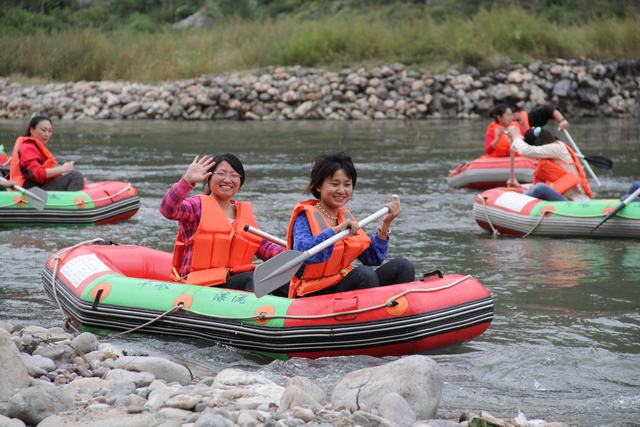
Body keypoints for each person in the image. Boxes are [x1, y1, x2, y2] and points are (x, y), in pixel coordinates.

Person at [286, 152, 415, 298]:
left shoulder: (345, 215)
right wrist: (335, 231)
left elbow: (373, 258)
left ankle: (398, 314)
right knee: (364, 275)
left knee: (403, 266)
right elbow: (302, 254)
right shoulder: (304, 217)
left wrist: (386, 223)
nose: (341, 190)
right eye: (335, 184)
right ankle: (371, 315)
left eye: (347, 184)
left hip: (341, 283)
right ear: (318, 186)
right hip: (314, 293)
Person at [160, 154, 283, 292]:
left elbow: (265, 247)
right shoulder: (196, 207)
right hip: (198, 286)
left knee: (279, 281)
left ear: (240, 181)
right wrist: (187, 180)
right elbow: (168, 209)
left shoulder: (245, 216)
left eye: (234, 175)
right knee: (252, 278)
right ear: (209, 177)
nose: (227, 180)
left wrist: (296, 255)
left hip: (233, 283)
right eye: (221, 174)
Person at [508, 126, 591, 201]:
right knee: (539, 187)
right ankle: (519, 199)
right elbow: (547, 185)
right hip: (563, 196)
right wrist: (520, 186)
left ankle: (518, 200)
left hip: (574, 199)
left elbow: (526, 151)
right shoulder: (550, 153)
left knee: (540, 188)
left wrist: (515, 136)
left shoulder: (557, 148)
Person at [9, 116, 84, 191]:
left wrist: (63, 172)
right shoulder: (27, 147)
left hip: (36, 186)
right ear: (32, 130)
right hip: (29, 190)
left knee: (74, 176)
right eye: (44, 130)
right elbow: (37, 174)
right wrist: (63, 169)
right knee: (76, 176)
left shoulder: (35, 147)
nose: (47, 134)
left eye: (50, 131)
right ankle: (72, 202)